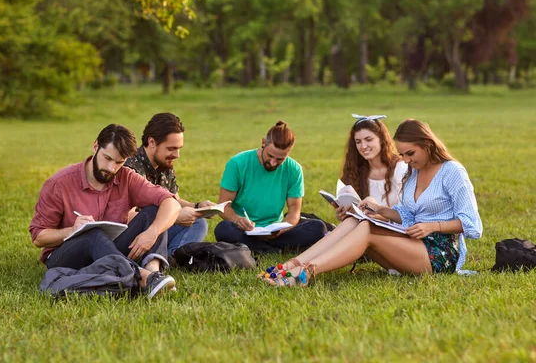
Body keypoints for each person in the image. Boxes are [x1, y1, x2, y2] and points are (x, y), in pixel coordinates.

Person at [262, 118, 482, 286]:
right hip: (411, 241)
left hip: (440, 253)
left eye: (410, 153)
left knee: (366, 230)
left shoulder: (452, 172)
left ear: (428, 144)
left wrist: (434, 226)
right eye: (403, 154)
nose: (406, 160)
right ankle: (291, 265)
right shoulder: (413, 172)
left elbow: (472, 224)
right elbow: (407, 214)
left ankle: (305, 273)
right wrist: (379, 210)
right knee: (358, 220)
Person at [29, 124, 182, 297]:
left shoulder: (126, 176)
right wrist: (72, 230)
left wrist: (152, 232)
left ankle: (153, 272)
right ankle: (142, 277)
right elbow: (38, 237)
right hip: (66, 258)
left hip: (110, 251)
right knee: (92, 235)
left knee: (154, 211)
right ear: (95, 146)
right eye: (107, 158)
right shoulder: (59, 183)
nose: (111, 168)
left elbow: (172, 203)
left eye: (119, 162)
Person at [214, 121, 327, 253]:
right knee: (223, 229)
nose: (273, 163)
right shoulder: (237, 163)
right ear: (263, 143)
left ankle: (261, 249)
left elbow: (294, 212)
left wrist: (281, 230)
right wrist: (238, 220)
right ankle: (275, 249)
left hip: (276, 232)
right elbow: (223, 206)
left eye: (280, 159)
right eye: (270, 156)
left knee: (318, 227)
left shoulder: (294, 169)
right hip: (244, 230)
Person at [124, 113, 214, 256]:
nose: (177, 155)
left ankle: (172, 256)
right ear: (152, 142)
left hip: (159, 228)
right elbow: (127, 217)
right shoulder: (130, 168)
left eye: (179, 148)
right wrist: (173, 218)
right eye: (171, 148)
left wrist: (198, 207)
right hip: (138, 232)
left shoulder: (165, 163)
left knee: (199, 222)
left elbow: (175, 201)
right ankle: (166, 256)